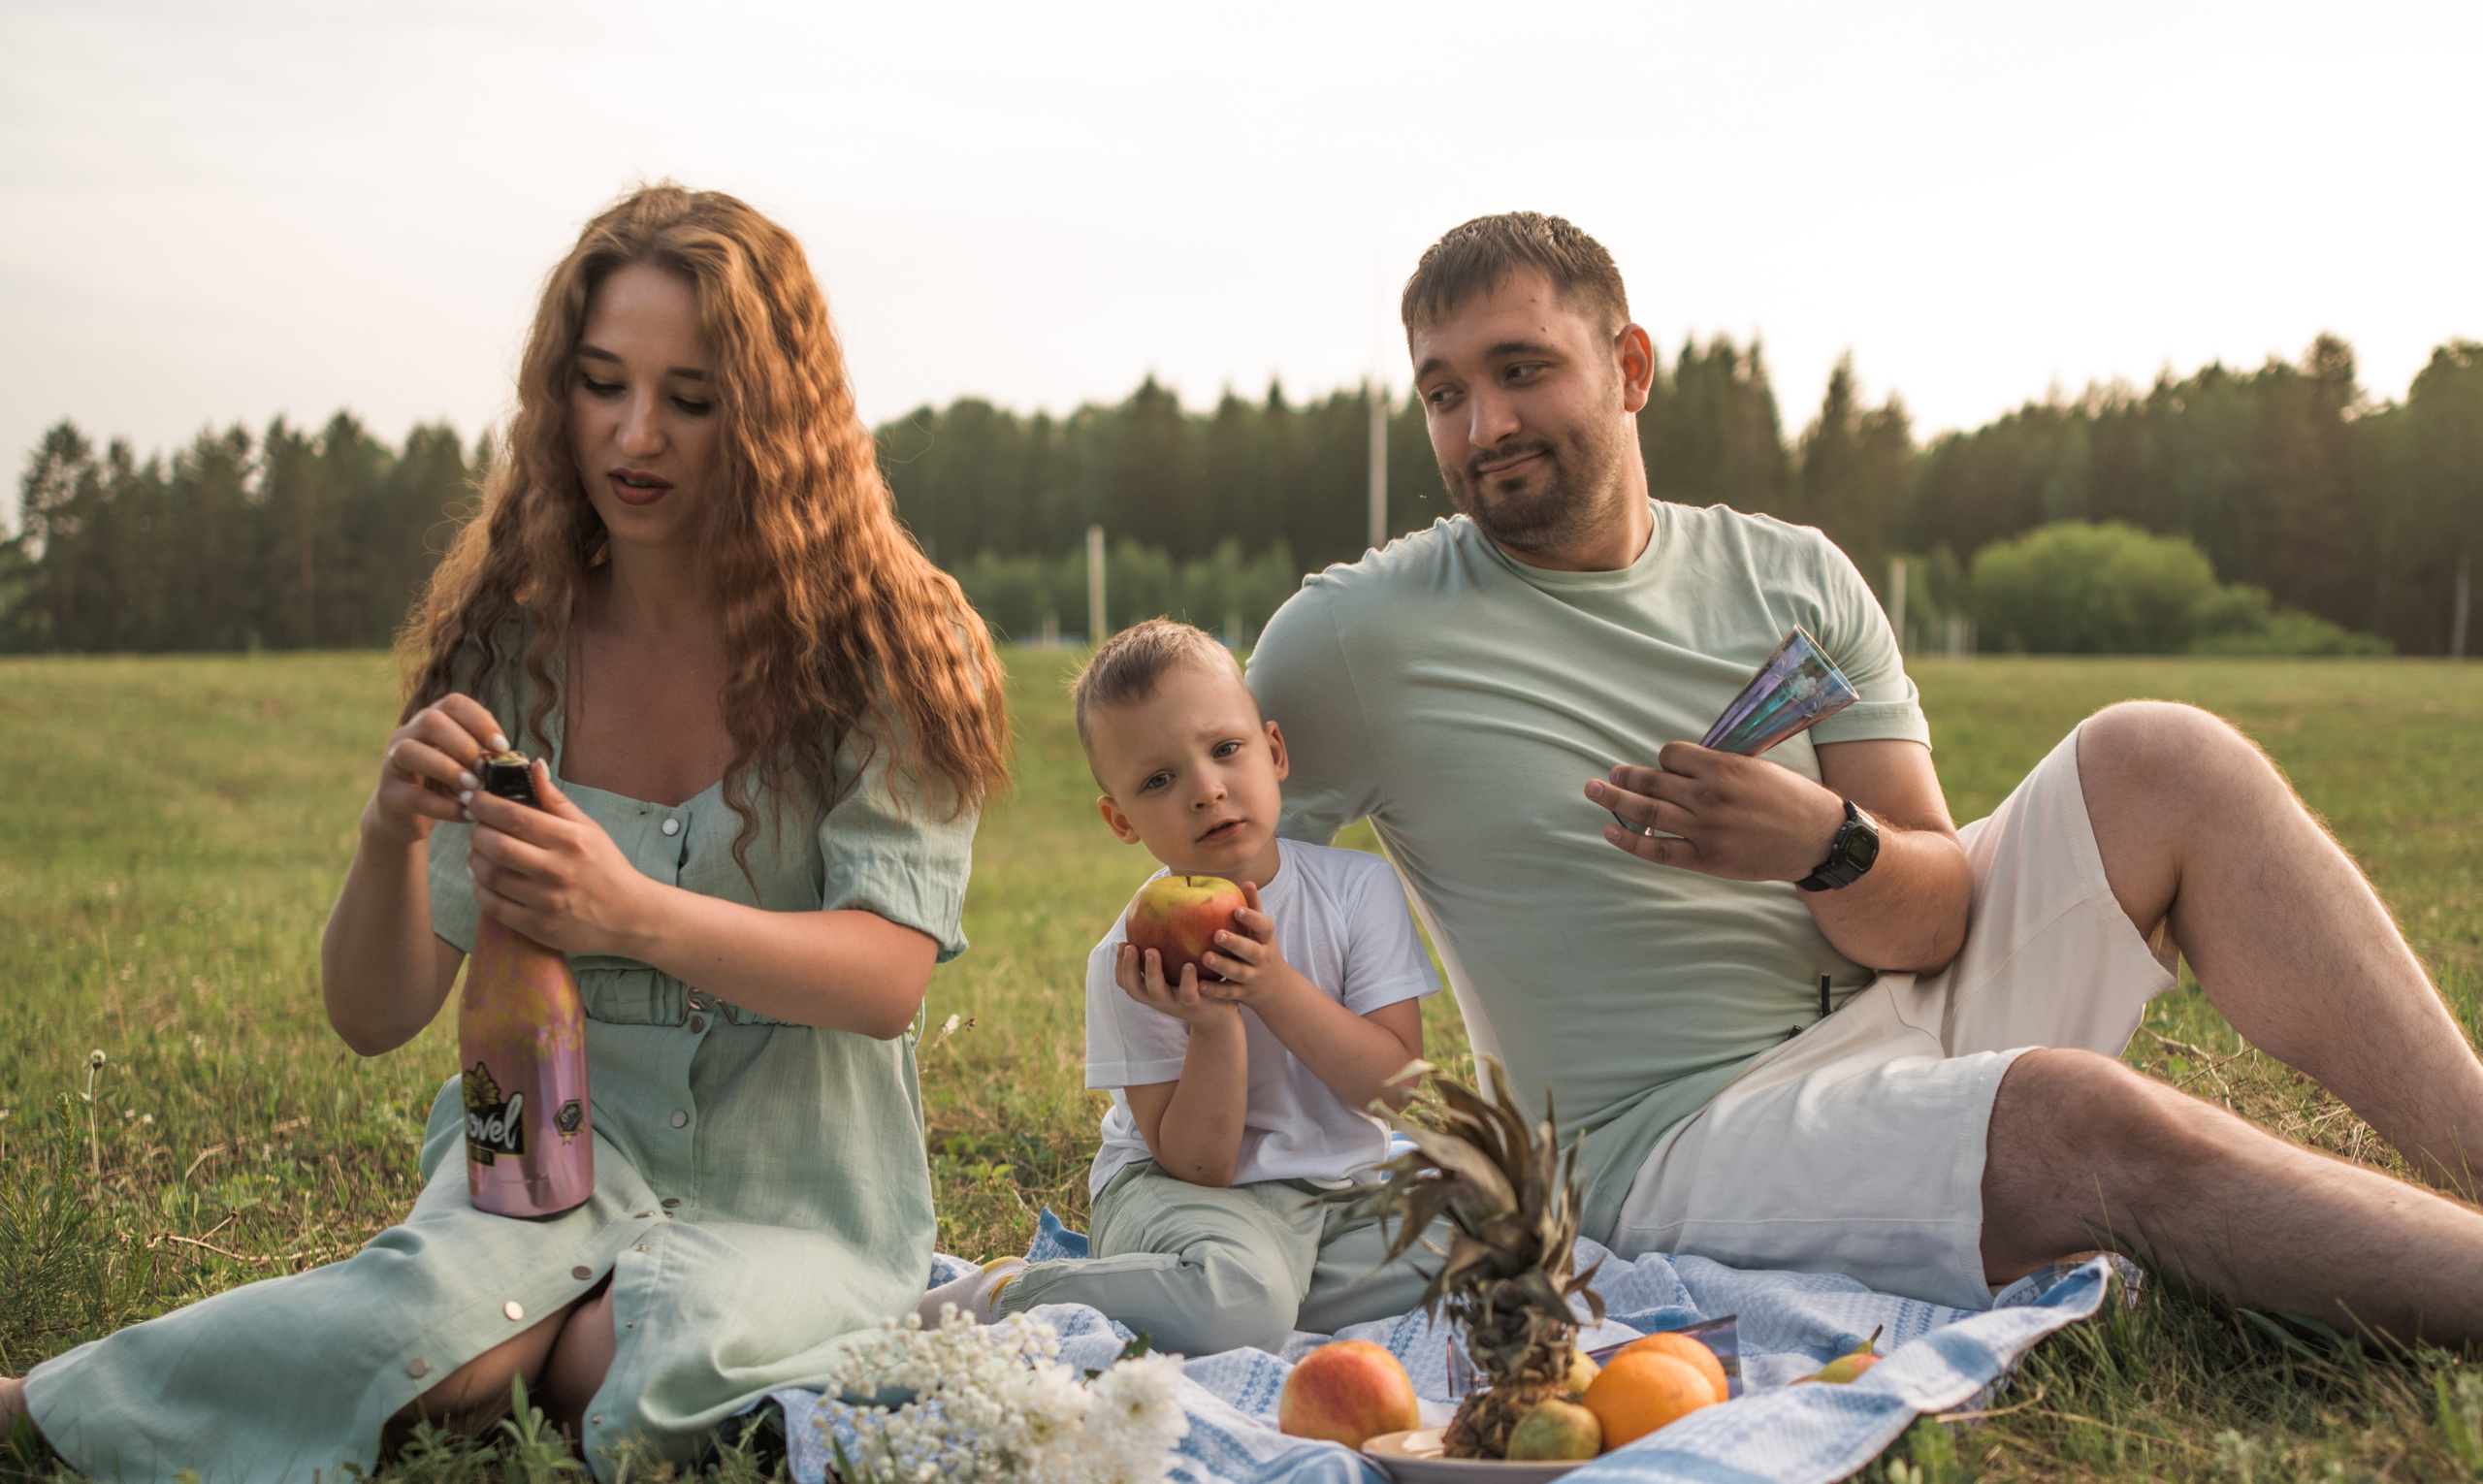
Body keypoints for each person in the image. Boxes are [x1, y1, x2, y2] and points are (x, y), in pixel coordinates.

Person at [1246, 210, 2483, 1342]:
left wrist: (1820, 842)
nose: (1483, 427)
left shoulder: (1789, 575)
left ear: (1628, 369)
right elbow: (1214, 879)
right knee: (2074, 1119)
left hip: (1906, 1010)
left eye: (1521, 370)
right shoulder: (1356, 639)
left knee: (2162, 754)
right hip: (1674, 1142)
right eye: (1443, 392)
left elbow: (1934, 914)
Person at [0, 185, 1009, 1477]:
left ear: (773, 420)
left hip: (797, 1191)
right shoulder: (511, 635)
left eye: (691, 399)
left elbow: (886, 977)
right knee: (444, 1351)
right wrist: (384, 832)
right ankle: (44, 1405)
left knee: (635, 1361)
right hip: (537, 1154)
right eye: (602, 384)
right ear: (558, 391)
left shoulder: (886, 642)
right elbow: (374, 1012)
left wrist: (625, 909)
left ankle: (578, 1335)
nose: (635, 435)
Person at [919, 620, 1440, 1354]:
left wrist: (1275, 986)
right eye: (1159, 780)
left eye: (1226, 750)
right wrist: (1215, 1023)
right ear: (1119, 820)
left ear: (1275, 751)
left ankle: (1231, 1292)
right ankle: (1006, 1295)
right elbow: (1199, 1164)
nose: (1206, 790)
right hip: (1176, 1195)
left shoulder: (1358, 891)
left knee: (1498, 1247)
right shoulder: (1132, 958)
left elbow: (1396, 1093)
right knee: (1242, 1304)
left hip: (1335, 1196)